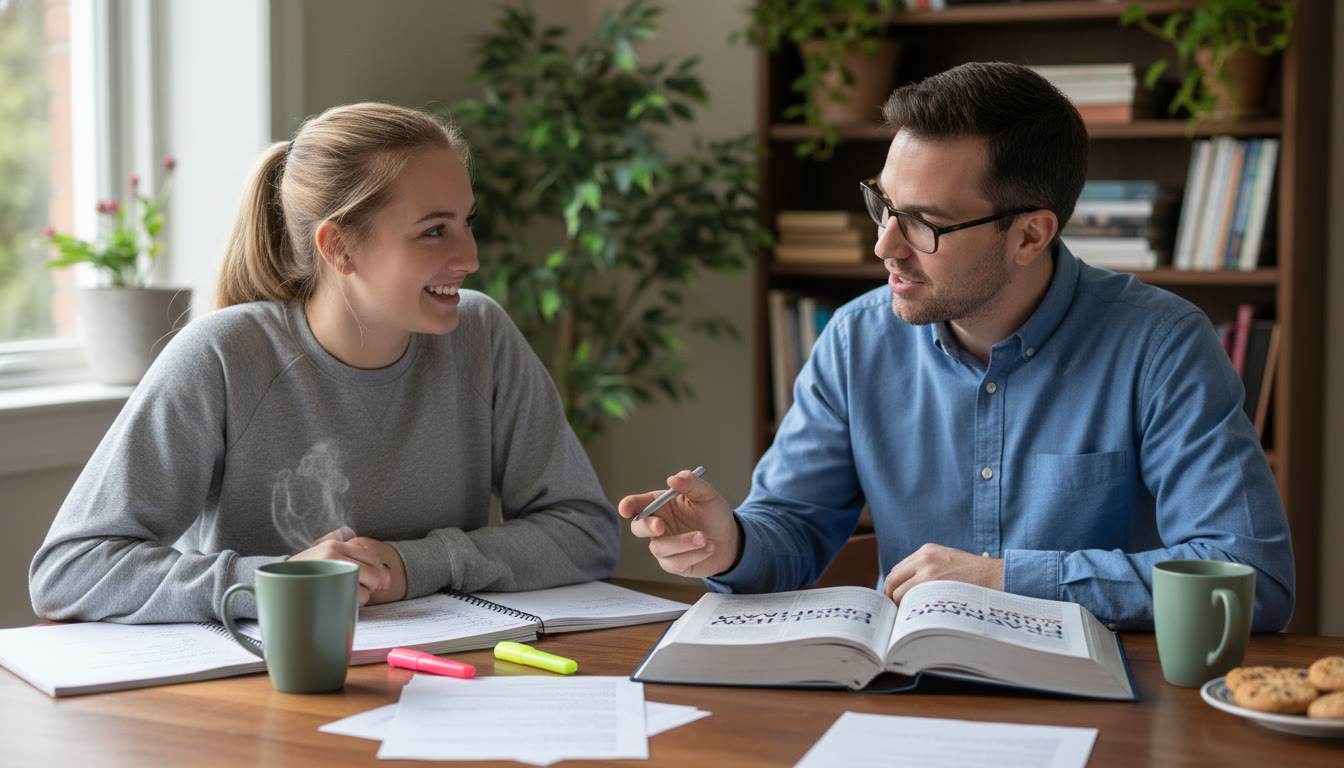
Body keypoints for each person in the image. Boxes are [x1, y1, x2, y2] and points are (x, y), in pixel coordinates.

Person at [618, 62, 1294, 631]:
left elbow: (1250, 580)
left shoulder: (1162, 344)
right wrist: (727, 543)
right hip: (902, 695)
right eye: (884, 206)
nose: (884, 246)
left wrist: (1007, 579)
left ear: (1031, 235)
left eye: (923, 224)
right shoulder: (856, 339)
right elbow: (792, 527)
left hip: (1108, 711)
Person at [30, 102, 620, 623]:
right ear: (338, 246)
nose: (469, 256)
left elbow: (584, 532)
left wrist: (413, 566)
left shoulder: (482, 334)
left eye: (467, 223)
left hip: (442, 679)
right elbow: (70, 569)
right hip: (252, 696)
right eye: (434, 231)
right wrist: (280, 582)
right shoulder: (221, 356)